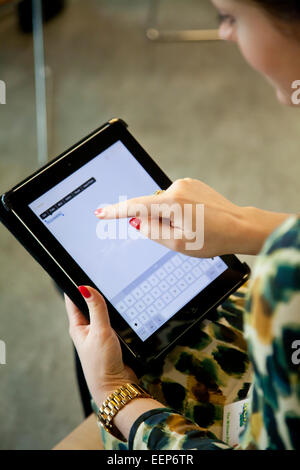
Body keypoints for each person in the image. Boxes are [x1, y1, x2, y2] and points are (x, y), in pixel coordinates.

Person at [64, 0, 300, 450]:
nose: (226, 33)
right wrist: (246, 225)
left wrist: (114, 393)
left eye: (230, 16)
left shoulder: (285, 283)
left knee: (99, 351)